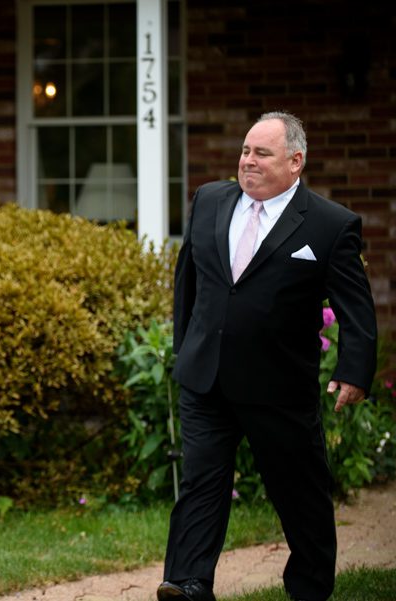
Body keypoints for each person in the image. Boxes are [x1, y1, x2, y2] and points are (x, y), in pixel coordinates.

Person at [157, 111, 377, 601]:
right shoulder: (210, 200)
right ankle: (189, 583)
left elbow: (354, 306)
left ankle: (309, 588)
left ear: (295, 162)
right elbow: (187, 284)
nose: (247, 161)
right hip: (206, 379)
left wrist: (354, 370)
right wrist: (185, 349)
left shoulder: (330, 225)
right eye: (245, 151)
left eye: (262, 153)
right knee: (201, 483)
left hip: (278, 386)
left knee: (299, 493)